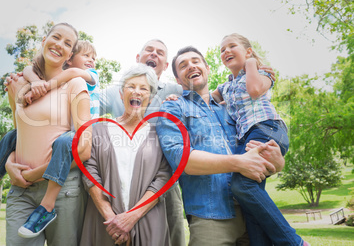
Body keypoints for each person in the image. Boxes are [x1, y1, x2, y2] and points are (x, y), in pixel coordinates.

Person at [156, 46, 287, 246]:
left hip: (253, 214)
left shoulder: (233, 110)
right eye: (183, 65)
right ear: (178, 80)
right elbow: (182, 159)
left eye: (195, 61)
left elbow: (255, 151)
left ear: (207, 68)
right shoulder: (173, 107)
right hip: (210, 218)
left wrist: (278, 164)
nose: (191, 66)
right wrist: (238, 162)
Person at [0, 40, 99, 213]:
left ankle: (47, 205)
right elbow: (29, 69)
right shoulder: (58, 78)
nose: (91, 60)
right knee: (11, 136)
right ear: (69, 59)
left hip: (79, 135)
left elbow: (74, 72)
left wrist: (44, 86)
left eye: (94, 57)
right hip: (60, 132)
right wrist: (35, 81)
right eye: (86, 55)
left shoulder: (87, 75)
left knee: (62, 143)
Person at [209, 33, 304, 246]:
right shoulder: (225, 86)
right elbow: (204, 99)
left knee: (241, 185)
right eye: (222, 50)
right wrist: (176, 97)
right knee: (248, 199)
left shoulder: (263, 73)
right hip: (247, 137)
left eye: (232, 46)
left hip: (267, 128)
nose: (226, 51)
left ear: (248, 51)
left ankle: (293, 242)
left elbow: (253, 91)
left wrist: (251, 64)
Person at [5, 22, 92, 245]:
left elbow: (83, 149)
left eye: (67, 43)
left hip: (63, 190)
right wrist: (9, 164)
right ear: (44, 41)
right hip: (21, 190)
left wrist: (34, 174)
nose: (59, 45)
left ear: (70, 54)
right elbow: (20, 134)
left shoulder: (75, 83)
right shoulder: (21, 84)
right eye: (56, 37)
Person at [99, 39, 186, 245]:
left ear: (165, 65)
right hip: (122, 175)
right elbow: (87, 106)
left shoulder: (175, 90)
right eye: (149, 50)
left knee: (172, 228)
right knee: (118, 228)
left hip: (163, 175)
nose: (154, 54)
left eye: (160, 52)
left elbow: (204, 95)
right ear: (138, 58)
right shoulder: (116, 90)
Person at [81, 64, 172, 246]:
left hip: (148, 223)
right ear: (121, 94)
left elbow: (163, 177)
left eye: (143, 88)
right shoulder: (98, 130)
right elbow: (89, 171)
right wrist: (113, 220)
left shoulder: (160, 134)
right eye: (131, 86)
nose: (137, 92)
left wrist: (131, 218)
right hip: (104, 224)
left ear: (151, 97)